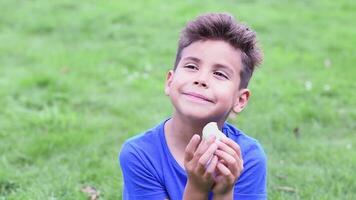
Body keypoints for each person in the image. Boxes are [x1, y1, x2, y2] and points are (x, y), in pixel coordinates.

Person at [119, 12, 267, 200]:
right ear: (170, 81)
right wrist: (197, 188)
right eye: (191, 67)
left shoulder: (248, 158)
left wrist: (224, 191)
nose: (201, 79)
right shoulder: (139, 154)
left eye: (220, 74)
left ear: (240, 100)